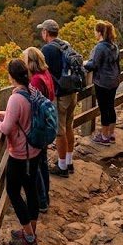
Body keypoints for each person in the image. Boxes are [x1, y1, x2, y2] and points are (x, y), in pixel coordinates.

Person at [0, 59, 43, 245]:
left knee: (12, 191)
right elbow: (20, 116)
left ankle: (29, 238)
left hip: (21, 154)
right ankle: (31, 231)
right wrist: (5, 114)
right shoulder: (32, 91)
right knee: (30, 190)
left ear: (11, 76)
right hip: (35, 149)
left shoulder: (16, 98)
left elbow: (6, 128)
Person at [37, 20, 76, 177]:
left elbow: (40, 70)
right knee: (69, 126)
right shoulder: (65, 44)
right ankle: (69, 161)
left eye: (42, 31)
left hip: (60, 94)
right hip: (71, 91)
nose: (42, 33)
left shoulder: (47, 49)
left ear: (46, 32)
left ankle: (62, 167)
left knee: (60, 131)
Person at [22, 47, 55, 212]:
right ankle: (45, 197)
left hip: (38, 127)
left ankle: (41, 200)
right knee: (43, 163)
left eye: (24, 60)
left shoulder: (35, 80)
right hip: (46, 124)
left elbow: (31, 104)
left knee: (36, 165)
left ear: (30, 62)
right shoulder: (46, 74)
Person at [85, 21, 121, 145]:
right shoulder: (114, 46)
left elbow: (94, 65)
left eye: (95, 31)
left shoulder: (100, 47)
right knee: (111, 106)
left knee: (104, 108)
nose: (94, 33)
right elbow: (117, 64)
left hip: (103, 82)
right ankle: (111, 134)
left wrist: (84, 64)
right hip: (114, 80)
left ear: (100, 32)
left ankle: (104, 137)